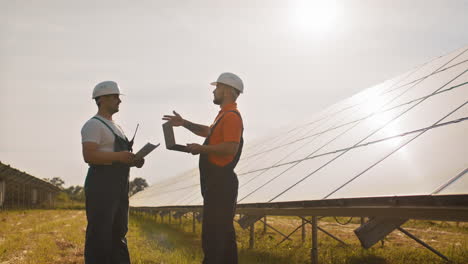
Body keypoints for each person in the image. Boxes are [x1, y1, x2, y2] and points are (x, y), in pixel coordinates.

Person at [163, 72, 244, 264]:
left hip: (222, 183)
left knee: (214, 236)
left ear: (226, 90)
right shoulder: (223, 116)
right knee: (222, 235)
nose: (214, 91)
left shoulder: (232, 117)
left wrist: (201, 149)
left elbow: (231, 147)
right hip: (217, 183)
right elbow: (208, 131)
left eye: (217, 88)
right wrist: (184, 123)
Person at [81, 81, 144, 264]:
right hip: (101, 185)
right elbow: (89, 155)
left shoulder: (117, 127)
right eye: (115, 97)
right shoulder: (93, 125)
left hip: (119, 185)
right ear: (101, 99)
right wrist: (119, 157)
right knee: (100, 233)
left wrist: (134, 160)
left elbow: (118, 157)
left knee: (118, 232)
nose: (119, 101)